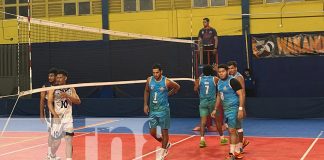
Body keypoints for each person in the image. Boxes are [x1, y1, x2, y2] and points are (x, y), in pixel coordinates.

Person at [144, 64, 180, 160]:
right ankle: (166, 144)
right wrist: (145, 104)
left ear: (161, 72)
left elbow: (177, 87)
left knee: (164, 132)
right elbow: (147, 91)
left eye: (157, 72)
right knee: (152, 132)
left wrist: (169, 94)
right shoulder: (149, 80)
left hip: (163, 110)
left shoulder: (166, 81)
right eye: (154, 72)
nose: (155, 74)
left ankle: (162, 152)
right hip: (153, 110)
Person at [211, 64, 245, 160]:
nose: (221, 73)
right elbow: (218, 95)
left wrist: (241, 109)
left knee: (231, 131)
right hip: (227, 109)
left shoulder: (233, 81)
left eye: (223, 71)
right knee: (236, 129)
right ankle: (238, 150)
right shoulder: (219, 83)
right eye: (219, 72)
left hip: (234, 108)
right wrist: (215, 109)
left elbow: (241, 95)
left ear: (227, 71)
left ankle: (232, 154)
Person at [47, 70, 81, 160]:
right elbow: (49, 103)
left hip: (68, 119)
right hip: (57, 119)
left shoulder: (71, 88)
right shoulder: (53, 89)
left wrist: (67, 96)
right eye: (57, 77)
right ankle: (52, 155)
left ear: (65, 78)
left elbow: (78, 101)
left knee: (69, 140)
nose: (58, 79)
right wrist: (54, 114)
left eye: (60, 77)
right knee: (56, 143)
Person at [194, 65, 228, 148]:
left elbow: (195, 89)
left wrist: (198, 86)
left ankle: (202, 141)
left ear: (203, 72)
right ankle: (222, 138)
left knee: (203, 122)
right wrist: (217, 71)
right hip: (212, 102)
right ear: (211, 72)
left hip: (203, 102)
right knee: (217, 121)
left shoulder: (199, 79)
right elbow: (222, 81)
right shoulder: (214, 79)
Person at [227, 61, 250, 153]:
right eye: (229, 68)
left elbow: (243, 92)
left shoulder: (239, 77)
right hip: (230, 104)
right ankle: (240, 144)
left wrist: (242, 107)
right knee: (234, 127)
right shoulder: (229, 77)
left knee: (238, 126)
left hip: (237, 104)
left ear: (236, 68)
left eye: (232, 68)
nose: (231, 70)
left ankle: (240, 146)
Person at [40, 68, 57, 159]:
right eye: (49, 75)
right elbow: (42, 100)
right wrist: (41, 114)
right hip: (49, 113)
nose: (49, 77)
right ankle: (49, 154)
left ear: (55, 76)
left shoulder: (59, 85)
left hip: (58, 112)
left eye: (51, 75)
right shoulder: (45, 86)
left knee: (56, 134)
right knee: (51, 133)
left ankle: (52, 154)